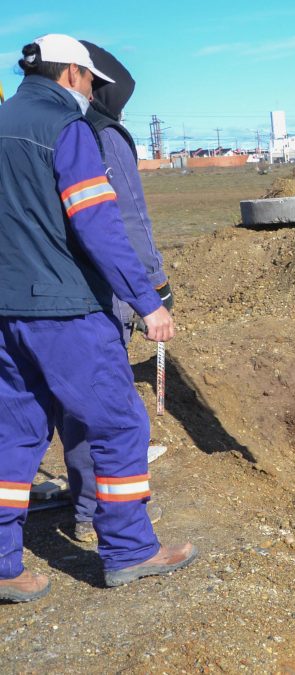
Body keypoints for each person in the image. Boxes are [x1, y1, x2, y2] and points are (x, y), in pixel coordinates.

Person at [0, 34, 196, 603]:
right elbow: (99, 224)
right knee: (119, 425)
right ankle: (132, 550)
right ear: (71, 77)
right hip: (65, 310)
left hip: (7, 311)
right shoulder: (69, 130)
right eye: (90, 82)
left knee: (12, 435)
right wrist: (148, 300)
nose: (92, 93)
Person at [55, 41, 174, 544]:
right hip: (102, 292)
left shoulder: (53, 131)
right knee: (108, 408)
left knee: (66, 405)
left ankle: (82, 500)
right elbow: (128, 220)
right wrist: (156, 288)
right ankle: (97, 514)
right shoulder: (103, 136)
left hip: (46, 290)